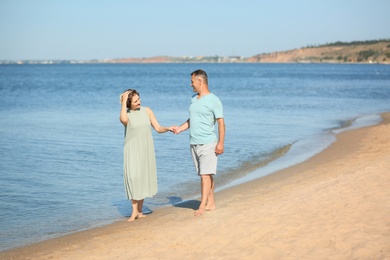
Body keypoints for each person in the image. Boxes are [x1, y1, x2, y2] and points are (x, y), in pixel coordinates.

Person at [174, 69, 225, 216]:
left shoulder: (214, 100)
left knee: (205, 175)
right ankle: (212, 203)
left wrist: (220, 143)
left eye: (192, 81)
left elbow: (221, 123)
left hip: (208, 142)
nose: (190, 84)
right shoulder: (193, 99)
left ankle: (202, 206)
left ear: (200, 81)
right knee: (206, 174)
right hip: (194, 142)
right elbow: (193, 120)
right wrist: (180, 129)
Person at [119, 89, 174, 221]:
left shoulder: (147, 111)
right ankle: (134, 212)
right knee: (133, 178)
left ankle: (140, 211)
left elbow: (158, 128)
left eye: (139, 99)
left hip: (145, 149)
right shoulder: (126, 114)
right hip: (132, 150)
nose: (139, 102)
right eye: (136, 101)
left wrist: (168, 128)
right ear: (128, 103)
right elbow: (123, 120)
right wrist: (123, 103)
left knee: (142, 178)